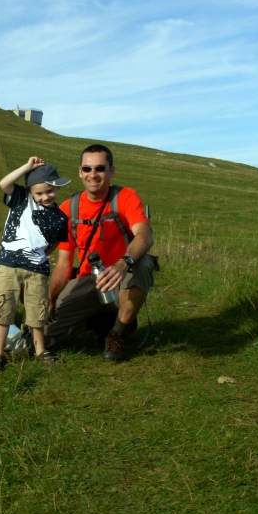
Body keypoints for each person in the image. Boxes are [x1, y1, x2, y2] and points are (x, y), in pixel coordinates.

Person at [46, 144, 156, 361]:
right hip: (88, 279)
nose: (93, 175)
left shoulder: (125, 197)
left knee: (143, 264)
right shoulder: (70, 208)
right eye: (87, 169)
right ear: (80, 172)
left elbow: (145, 235)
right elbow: (64, 263)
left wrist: (122, 264)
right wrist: (50, 297)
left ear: (111, 171)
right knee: (48, 337)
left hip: (123, 276)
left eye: (100, 168)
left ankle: (117, 334)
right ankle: (96, 321)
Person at [0, 157, 70, 373]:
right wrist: (27, 168)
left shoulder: (60, 217)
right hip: (9, 266)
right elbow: (4, 183)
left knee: (37, 311)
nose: (45, 196)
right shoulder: (21, 198)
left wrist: (39, 254)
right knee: (4, 309)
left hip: (37, 269)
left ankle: (41, 351)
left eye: (50, 191)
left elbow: (58, 241)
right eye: (39, 193)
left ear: (57, 188)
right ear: (30, 191)